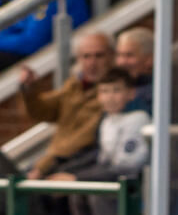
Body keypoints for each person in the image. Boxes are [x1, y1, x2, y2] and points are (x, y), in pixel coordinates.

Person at [47, 66, 150, 215]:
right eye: (104, 91)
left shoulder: (139, 119)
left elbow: (126, 167)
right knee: (77, 193)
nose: (109, 97)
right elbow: (103, 163)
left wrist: (77, 179)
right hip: (114, 183)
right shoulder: (106, 122)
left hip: (135, 188)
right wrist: (71, 177)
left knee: (95, 195)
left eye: (116, 90)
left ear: (131, 93)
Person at [19, 30, 113, 179]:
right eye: (86, 56)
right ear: (79, 59)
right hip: (53, 162)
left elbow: (82, 139)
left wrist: (43, 166)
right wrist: (29, 90)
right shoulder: (74, 84)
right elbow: (42, 110)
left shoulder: (113, 94)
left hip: (78, 163)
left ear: (111, 56)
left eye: (99, 55)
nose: (92, 63)